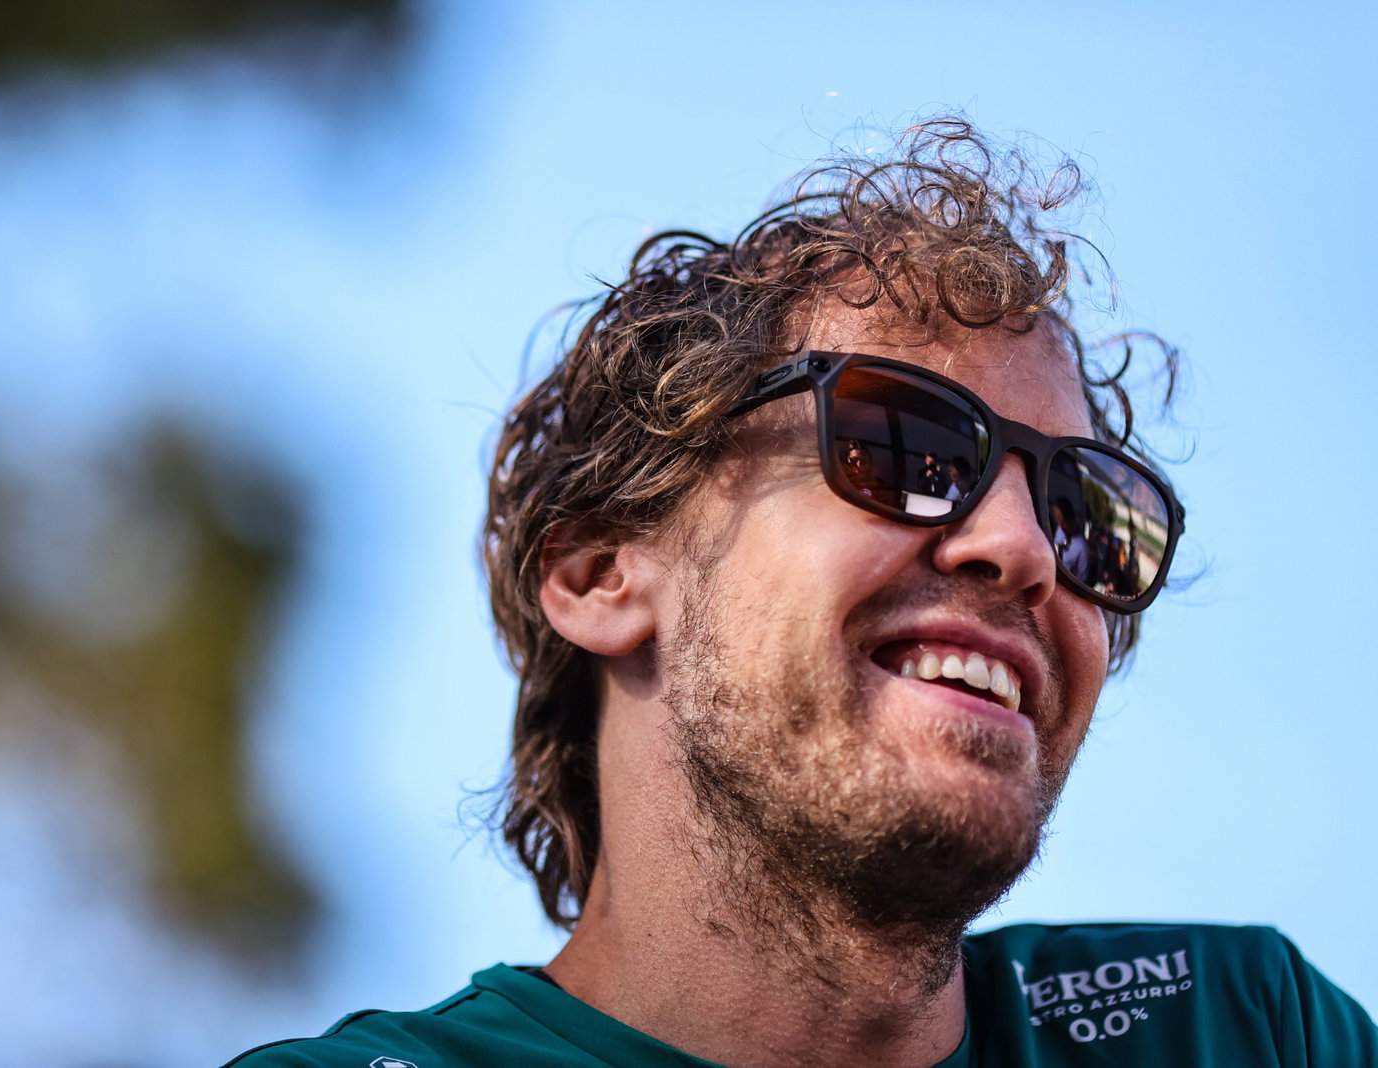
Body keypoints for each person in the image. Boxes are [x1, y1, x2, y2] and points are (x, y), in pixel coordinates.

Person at [225, 121, 1376, 1067]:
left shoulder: (1238, 1031)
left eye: (1087, 513)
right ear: (600, 577)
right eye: (905, 446)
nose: (1023, 547)